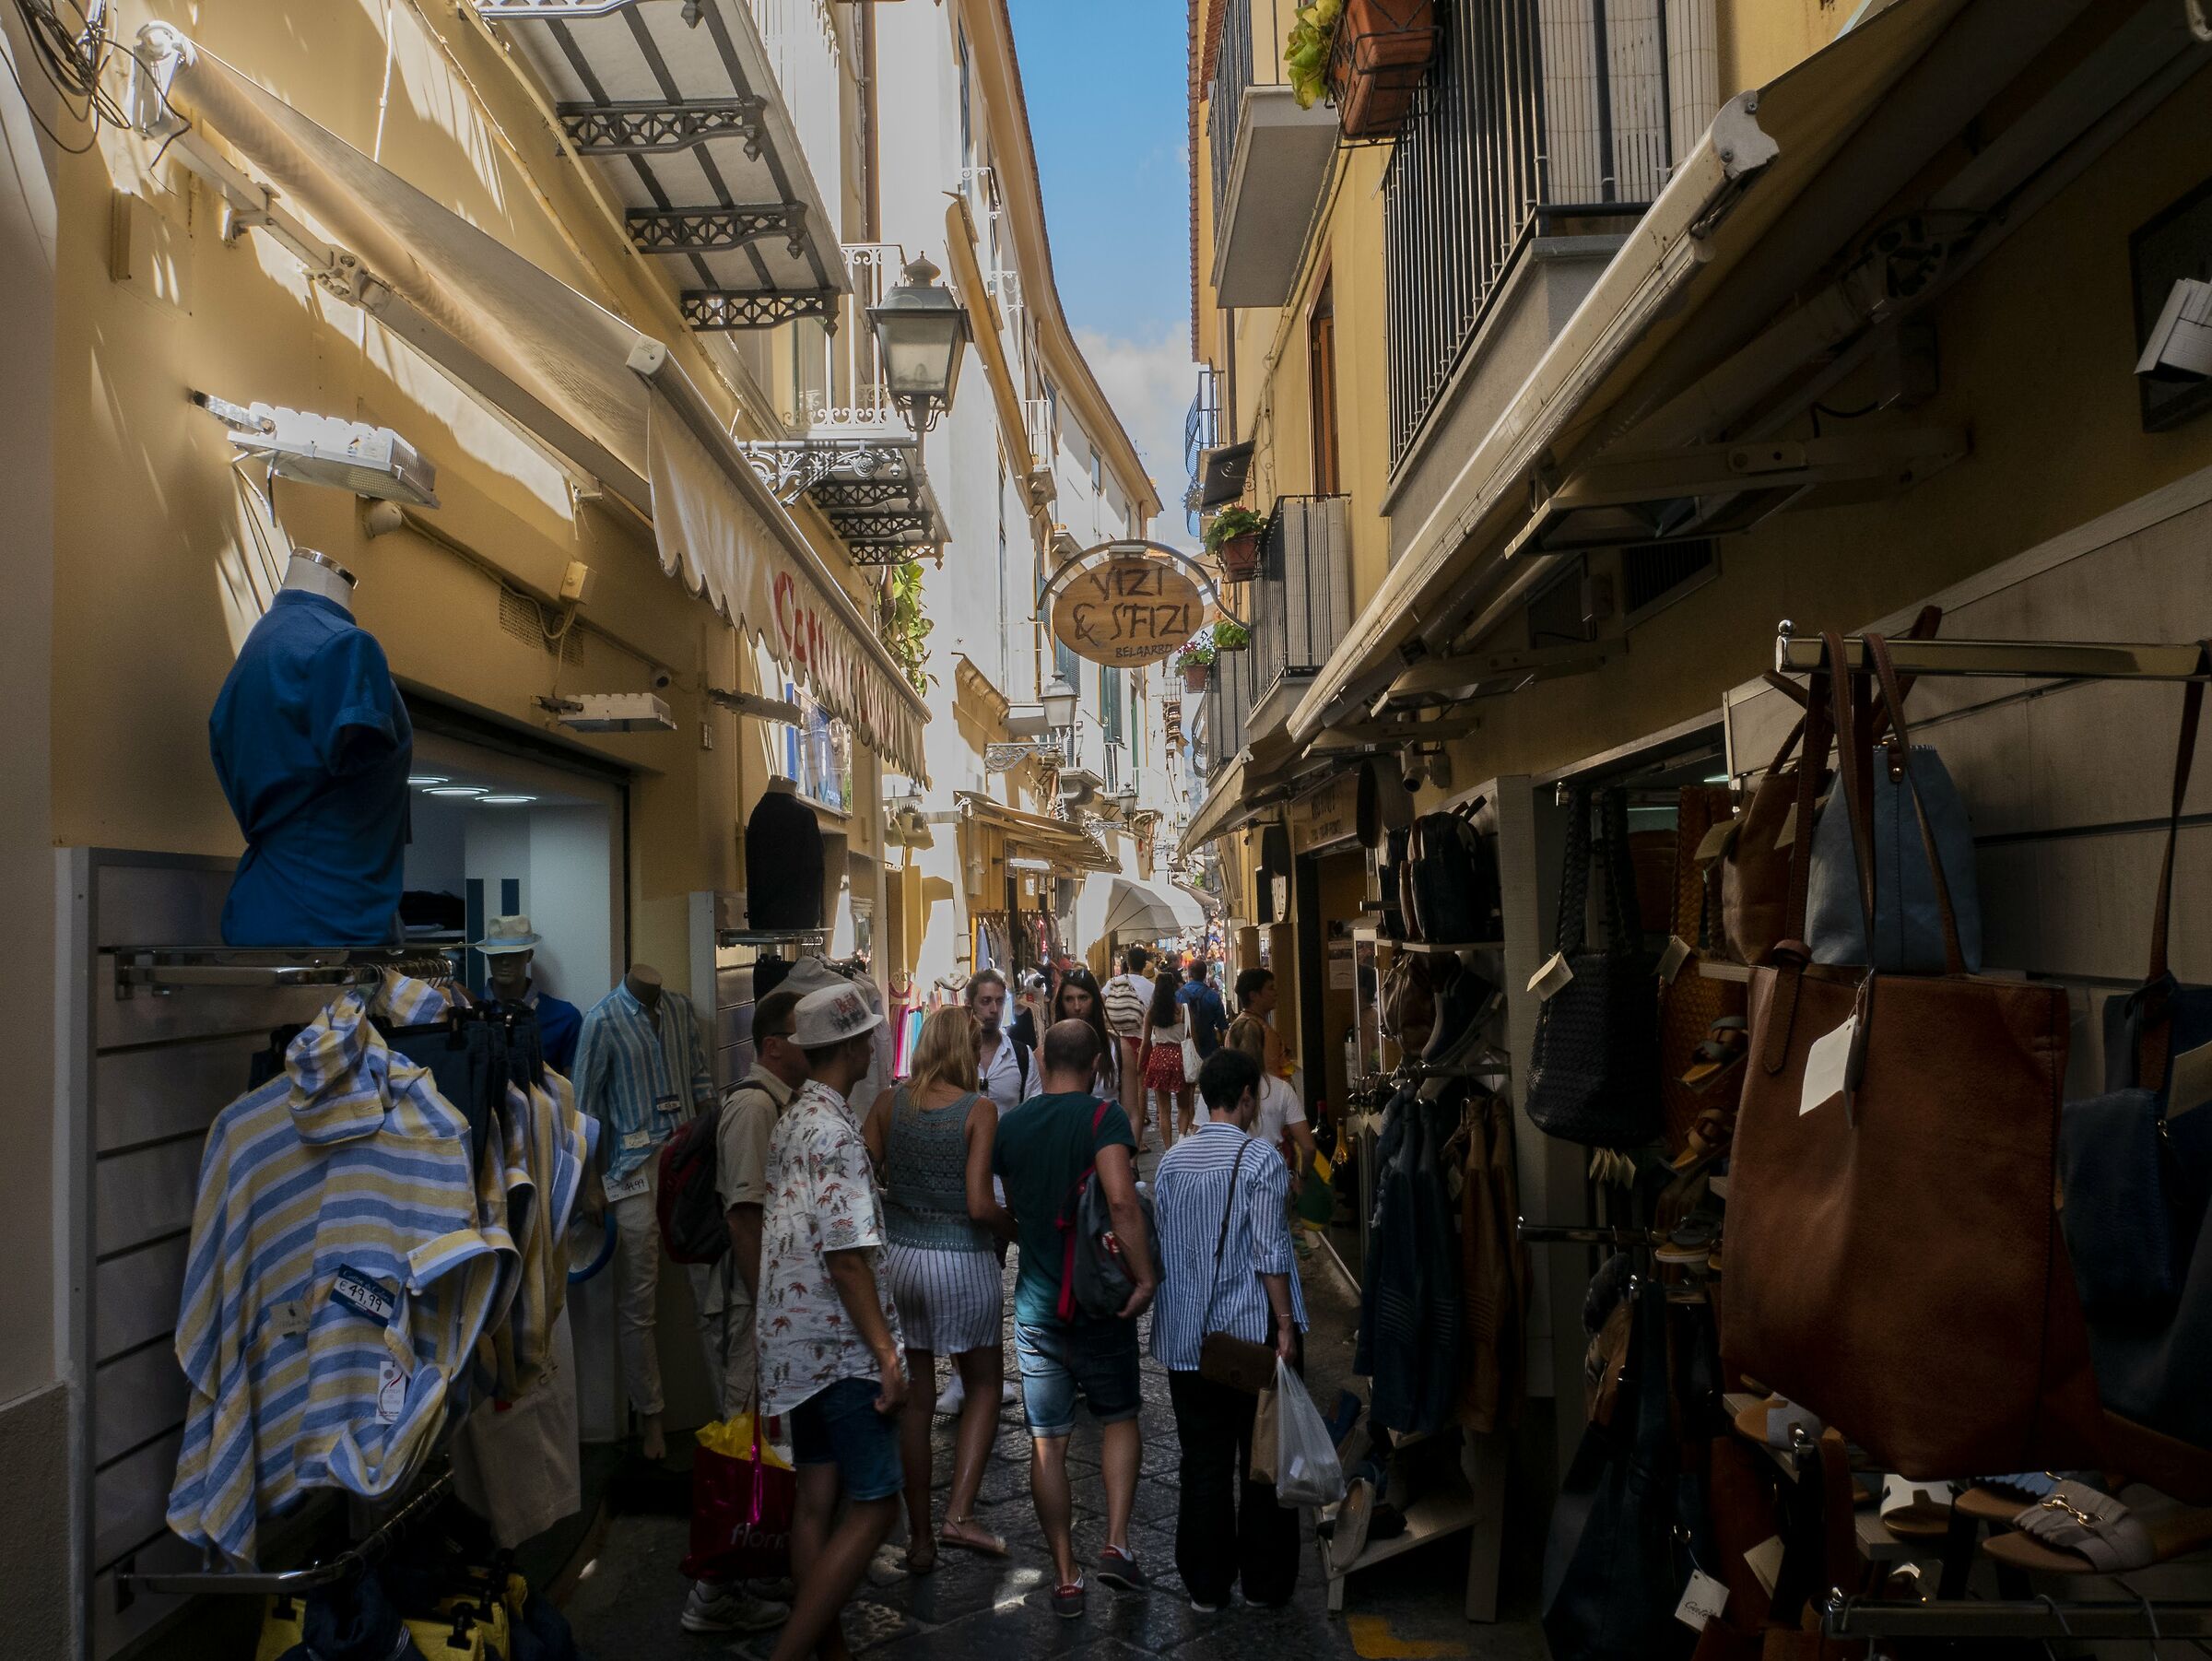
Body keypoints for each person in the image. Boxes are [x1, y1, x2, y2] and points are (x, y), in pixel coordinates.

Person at [756, 984, 908, 1661]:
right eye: (869, 1035)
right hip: (838, 1348)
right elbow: (847, 1259)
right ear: (851, 1046)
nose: (877, 1044)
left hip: (793, 1346)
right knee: (877, 1505)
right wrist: (886, 1354)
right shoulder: (836, 1132)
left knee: (815, 1500)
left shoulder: (793, 1118)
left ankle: (831, 1652)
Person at [993, 1021, 1158, 1620]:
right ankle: (1116, 1543)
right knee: (1118, 1418)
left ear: (1041, 1058)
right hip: (1098, 1303)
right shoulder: (1102, 1119)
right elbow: (1120, 1199)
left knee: (1047, 1444)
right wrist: (1144, 1277)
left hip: (1037, 1306)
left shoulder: (1010, 1126)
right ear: (1096, 1062)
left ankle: (1065, 1575)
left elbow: (1007, 1204)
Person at [1151, 1046, 1307, 1611]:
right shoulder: (1260, 1159)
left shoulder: (1172, 1162)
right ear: (1246, 1098)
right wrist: (1286, 1326)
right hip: (1247, 1339)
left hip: (1187, 1340)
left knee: (1202, 1461)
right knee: (1261, 1461)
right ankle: (1265, 1582)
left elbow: (1163, 1240)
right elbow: (1270, 1252)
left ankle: (1206, 1585)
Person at [861, 1007, 1014, 1571]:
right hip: (960, 1263)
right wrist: (1011, 1227)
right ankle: (960, 1515)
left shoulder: (888, 1103)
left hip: (900, 1261)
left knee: (917, 1402)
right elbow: (978, 1203)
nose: (980, 1056)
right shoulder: (979, 1109)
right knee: (983, 1385)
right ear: (962, 1050)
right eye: (975, 1047)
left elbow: (861, 1174)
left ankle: (920, 1538)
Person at [681, 986, 806, 1636]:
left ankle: (754, 1565)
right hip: (746, 1308)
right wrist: (769, 1311)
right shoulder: (755, 1111)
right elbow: (744, 1217)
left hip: (755, 1306)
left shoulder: (774, 1104)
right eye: (799, 1029)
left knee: (761, 1443)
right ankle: (713, 1594)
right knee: (741, 1445)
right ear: (773, 1045)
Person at [1211, 1015, 1319, 1195]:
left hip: (1227, 1178)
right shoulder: (1282, 1089)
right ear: (1262, 1047)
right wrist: (1301, 1178)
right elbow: (1308, 1147)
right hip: (1272, 1177)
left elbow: (1199, 1134)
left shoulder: (1216, 1088)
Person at [475, 913, 582, 1074]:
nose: (505, 961)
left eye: (515, 953)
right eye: (498, 953)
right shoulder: (469, 1012)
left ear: (529, 956)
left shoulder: (565, 1018)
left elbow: (571, 1092)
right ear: (488, 956)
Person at [1101, 947, 1158, 1146]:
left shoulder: (1113, 982)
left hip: (1115, 1039)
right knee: (1140, 1089)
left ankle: (1119, 1130)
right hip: (1139, 1040)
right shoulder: (1151, 987)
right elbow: (1153, 1017)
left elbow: (1101, 1000)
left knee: (1118, 1084)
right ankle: (1138, 1139)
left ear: (1127, 963)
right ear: (1145, 965)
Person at [969, 969, 1036, 1119]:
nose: (994, 1010)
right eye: (985, 1001)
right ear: (970, 1005)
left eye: (999, 1001)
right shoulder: (955, 1054)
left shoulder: (1022, 1055)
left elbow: (1033, 1113)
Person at [1138, 972, 1195, 1149]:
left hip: (1159, 1058)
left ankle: (1169, 1148)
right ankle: (1181, 1138)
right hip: (1180, 1058)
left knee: (1163, 1110)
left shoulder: (1152, 1013)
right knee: (1183, 1106)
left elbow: (1146, 1042)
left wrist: (1140, 1064)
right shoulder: (1183, 1010)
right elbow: (1192, 1036)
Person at [1051, 967, 1118, 1101]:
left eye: (1083, 998)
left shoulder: (1119, 1049)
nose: (1077, 1007)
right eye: (1069, 999)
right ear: (1061, 1003)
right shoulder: (1046, 1052)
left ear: (1095, 1000)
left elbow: (1132, 1113)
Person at [1234, 967, 1295, 1081]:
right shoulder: (1260, 1031)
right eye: (1270, 988)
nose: (1275, 993)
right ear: (1253, 996)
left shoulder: (1238, 1025)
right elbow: (1271, 1075)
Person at [1177, 958, 1228, 1061]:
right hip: (1209, 1049)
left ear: (1188, 974)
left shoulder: (1178, 995)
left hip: (1185, 1049)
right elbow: (1223, 1026)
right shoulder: (1213, 996)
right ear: (1205, 974)